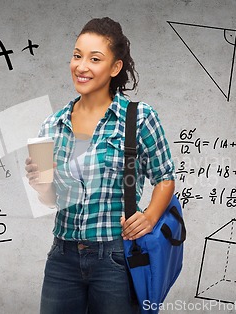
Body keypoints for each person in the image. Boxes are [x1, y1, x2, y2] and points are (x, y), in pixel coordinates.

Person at [25, 17, 175, 314]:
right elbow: (51, 200)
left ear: (115, 67)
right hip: (62, 256)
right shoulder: (53, 125)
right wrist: (41, 184)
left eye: (95, 59)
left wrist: (150, 216)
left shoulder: (138, 117)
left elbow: (165, 177)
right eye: (77, 56)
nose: (82, 66)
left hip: (116, 258)